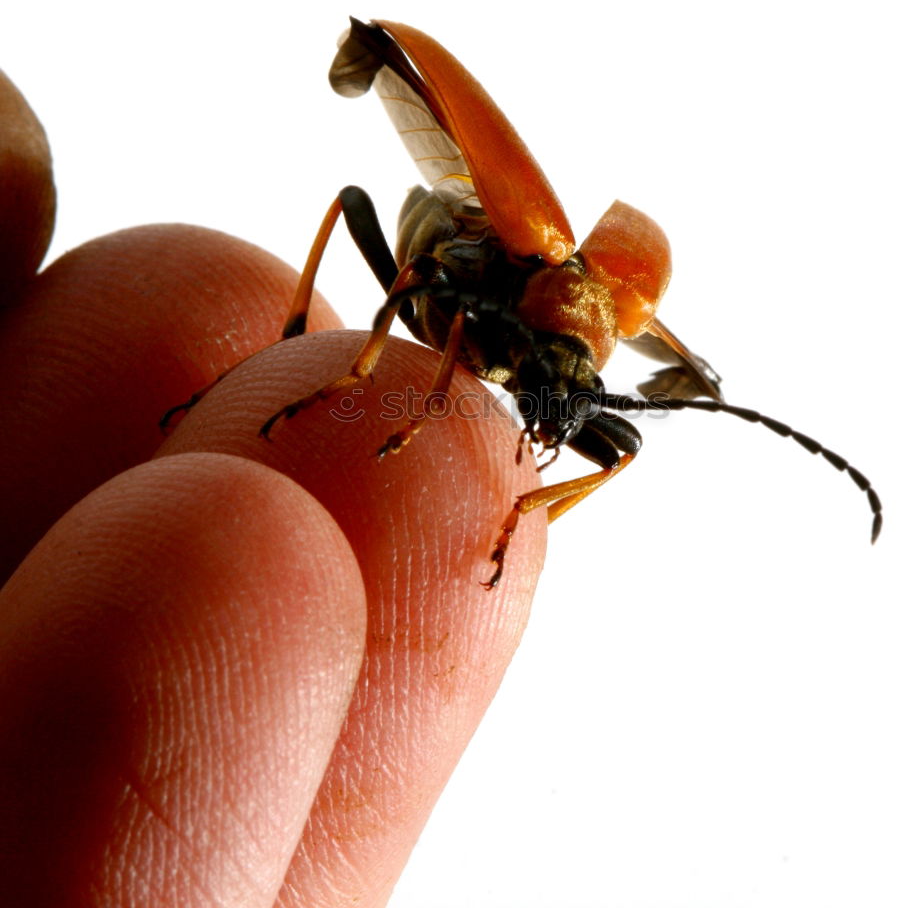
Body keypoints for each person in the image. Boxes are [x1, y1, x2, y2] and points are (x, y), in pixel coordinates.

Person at [0, 71, 545, 906]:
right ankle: (298, 346)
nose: (549, 425)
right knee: (339, 238)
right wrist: (376, 384)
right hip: (444, 251)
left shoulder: (557, 370)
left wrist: (525, 503)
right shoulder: (494, 295)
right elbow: (433, 296)